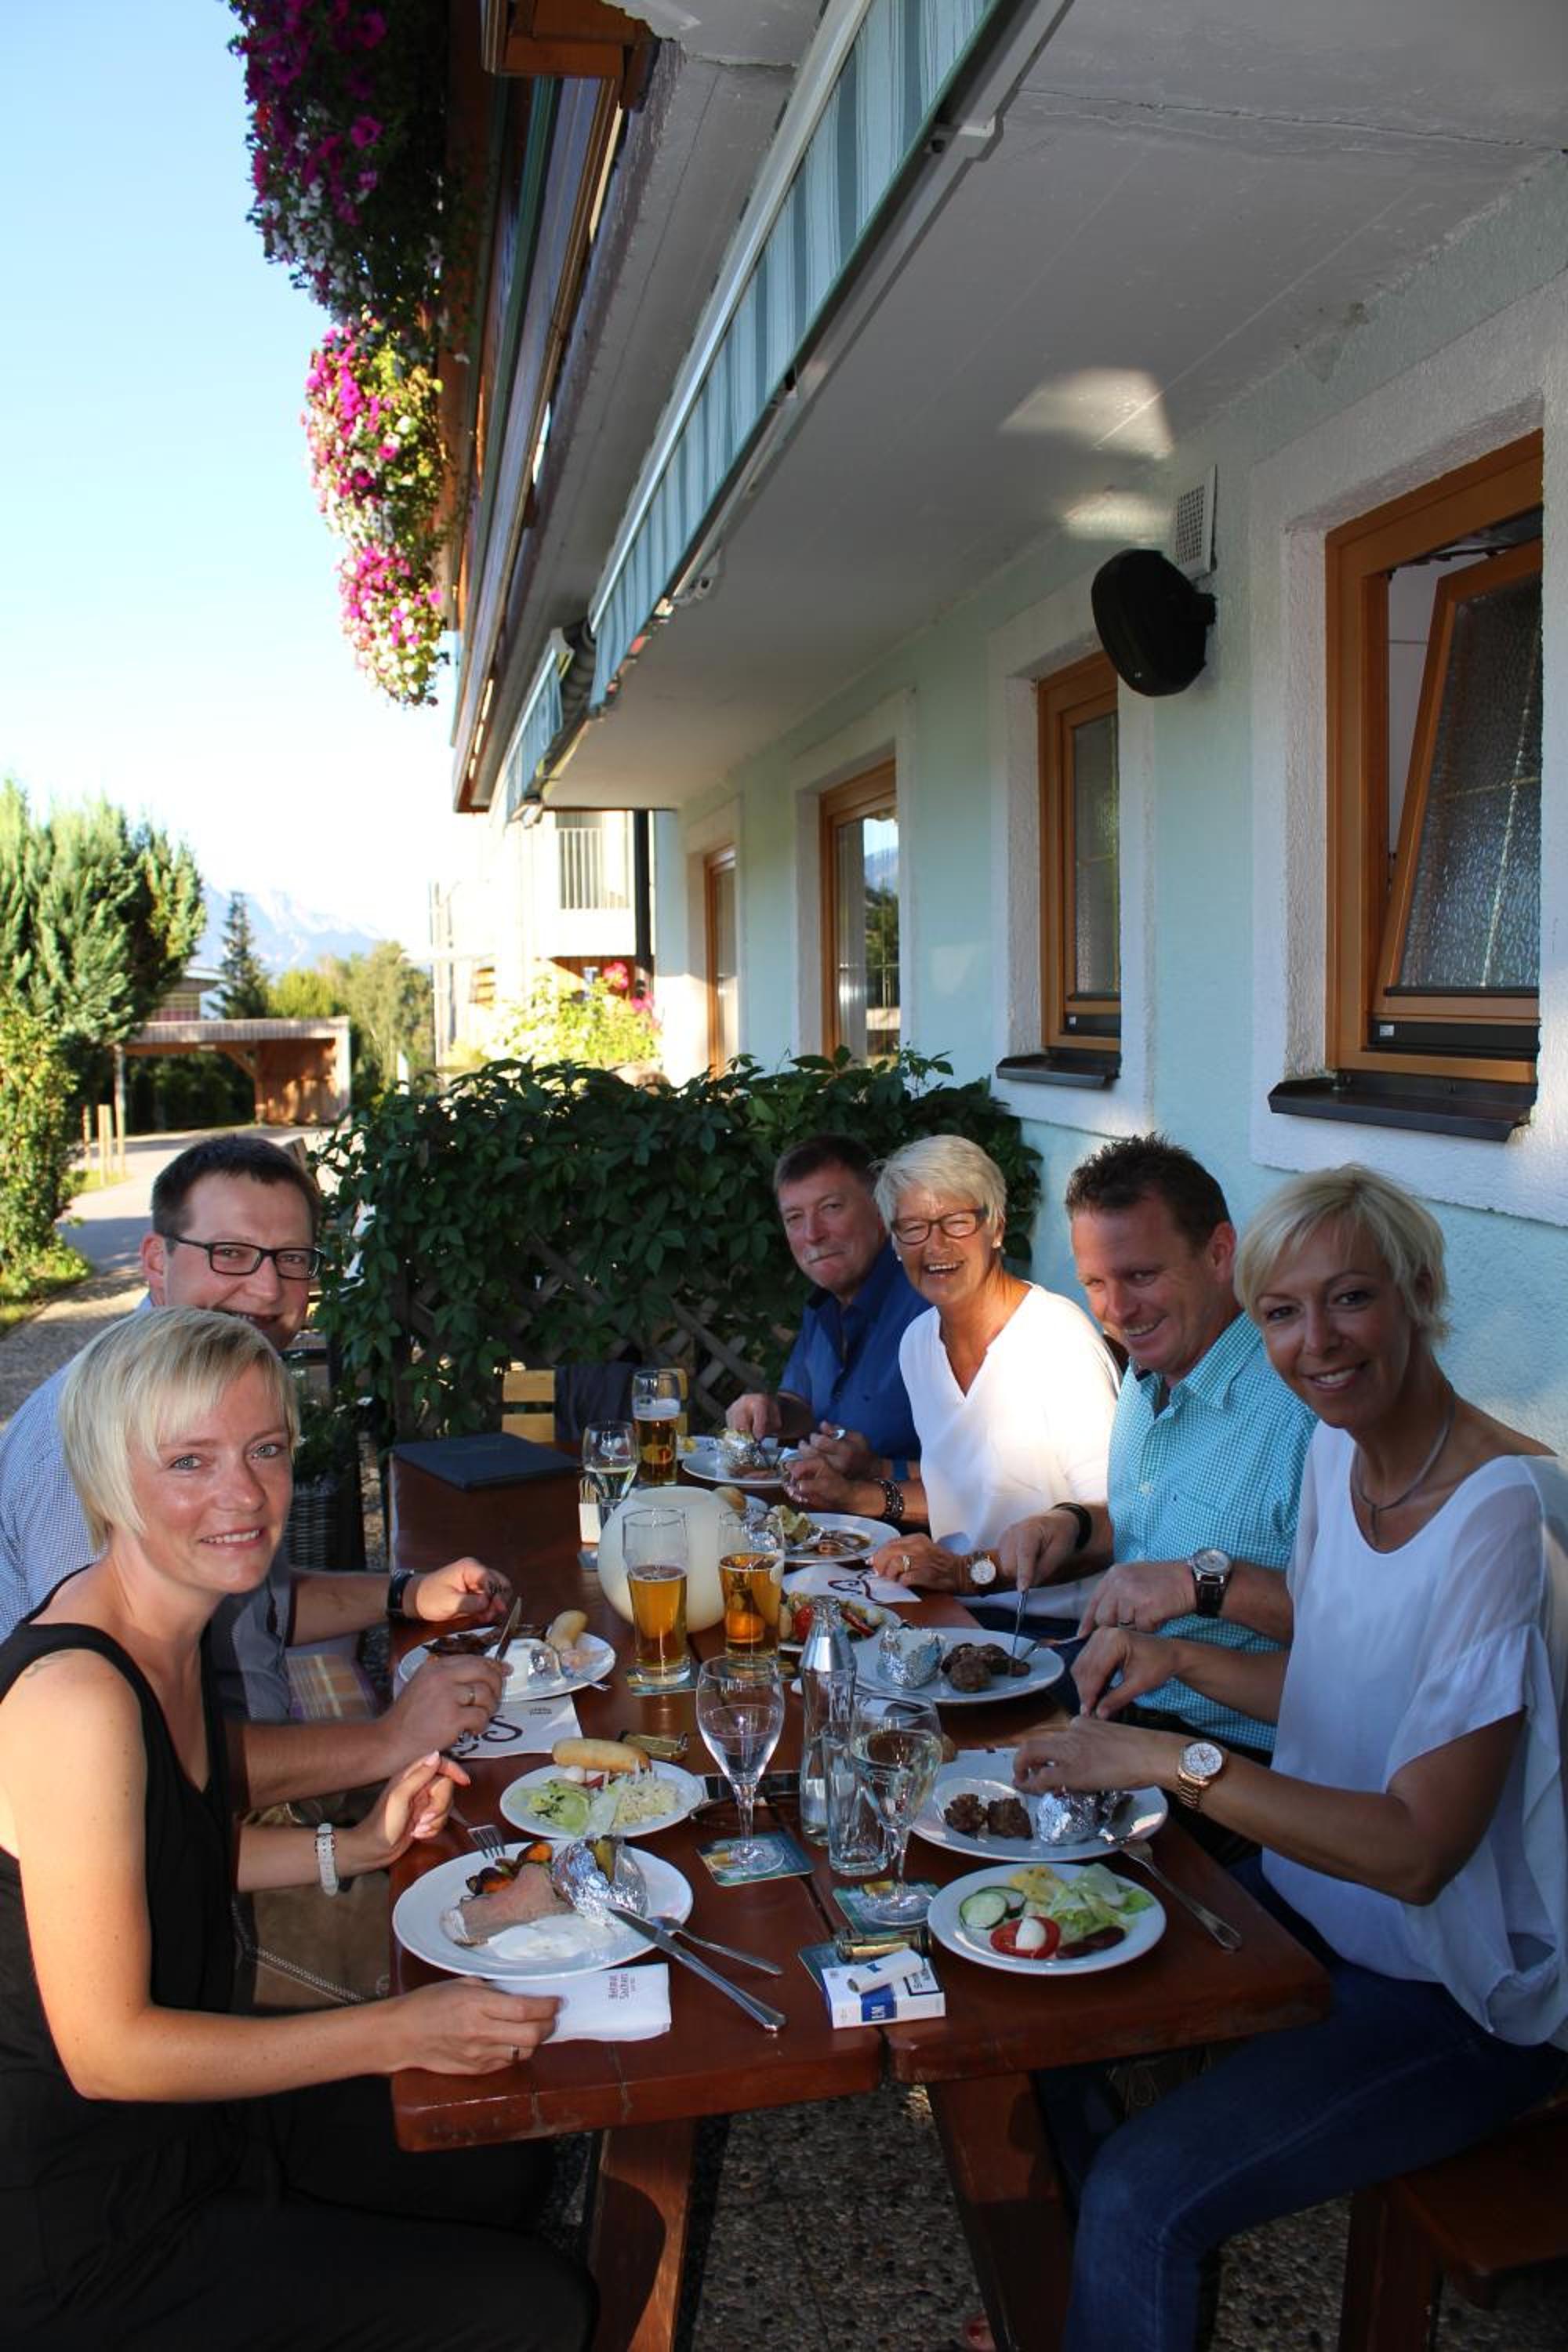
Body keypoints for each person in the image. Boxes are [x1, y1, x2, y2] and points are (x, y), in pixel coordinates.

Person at [1011, 1166, 1568, 2352]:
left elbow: (1418, 1853)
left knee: (1143, 2198)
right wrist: (1180, 1663)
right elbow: (1334, 1693)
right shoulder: (1336, 1457)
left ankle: (1114, 2277)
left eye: (1351, 1298)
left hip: (1453, 1987)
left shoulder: (1505, 1510)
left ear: (1420, 1294)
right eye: (1281, 1312)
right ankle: (1091, 2308)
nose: (1315, 1342)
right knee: (1037, 2008)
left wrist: (1171, 1764)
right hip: (1319, 1905)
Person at [0, 1306, 594, 2350]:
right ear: (105, 1478)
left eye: (266, 1450)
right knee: (539, 2308)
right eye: (189, 1461)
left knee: (500, 2164)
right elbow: (107, 2053)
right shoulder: (76, 1698)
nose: (243, 1494)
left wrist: (356, 1846)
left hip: (190, 2135)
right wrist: (398, 2029)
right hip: (82, 2228)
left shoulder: (165, 1629)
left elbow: (169, 1849)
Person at [0, 1134, 510, 1802]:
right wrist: (389, 1739)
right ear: (156, 1261)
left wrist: (407, 1593)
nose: (268, 1290)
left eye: (292, 1259)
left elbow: (258, 1608)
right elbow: (133, 1756)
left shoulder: (213, 1394)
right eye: (231, 1253)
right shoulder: (87, 1440)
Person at [992, 1135, 1317, 1762]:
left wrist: (1203, 1584)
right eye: (1095, 1282)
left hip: (1239, 1760)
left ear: (1219, 1253)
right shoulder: (1147, 1375)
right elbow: (1154, 1532)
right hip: (1119, 1712)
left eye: (1141, 1275)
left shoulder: (1304, 1408)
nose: (1117, 1309)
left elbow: (1353, 1635)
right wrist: (1072, 1525)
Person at [862, 1136, 1117, 1573]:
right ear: (896, 1243)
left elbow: (1115, 1521)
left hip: (1049, 1612)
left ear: (997, 1227)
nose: (936, 1245)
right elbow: (967, 1501)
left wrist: (968, 1574)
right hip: (956, 1600)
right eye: (914, 1227)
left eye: (958, 1222)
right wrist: (855, 1495)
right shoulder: (918, 1343)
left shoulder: (1056, 1338)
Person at [725, 1134, 924, 1512]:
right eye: (794, 1218)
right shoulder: (823, 1306)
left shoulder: (928, 1306)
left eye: (831, 1208)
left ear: (882, 1211)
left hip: (918, 1538)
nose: (812, 1234)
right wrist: (772, 1412)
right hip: (830, 1530)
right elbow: (805, 1408)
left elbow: (985, 1480)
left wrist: (877, 1470)